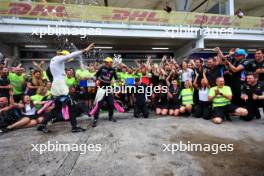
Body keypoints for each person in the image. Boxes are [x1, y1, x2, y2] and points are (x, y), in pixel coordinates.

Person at [37, 43, 95, 133]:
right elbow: (71, 55)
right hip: (60, 87)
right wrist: (85, 50)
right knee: (72, 107)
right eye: (67, 57)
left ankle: (42, 125)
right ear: (63, 55)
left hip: (57, 87)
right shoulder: (58, 58)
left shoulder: (54, 61)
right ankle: (74, 127)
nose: (68, 60)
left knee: (56, 109)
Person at [91, 57, 119, 127]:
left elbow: (117, 78)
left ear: (111, 63)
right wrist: (96, 80)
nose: (106, 63)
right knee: (98, 104)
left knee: (111, 103)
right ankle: (95, 119)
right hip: (101, 88)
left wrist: (116, 81)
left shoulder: (113, 69)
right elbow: (95, 76)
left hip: (108, 89)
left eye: (108, 62)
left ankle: (111, 117)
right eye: (105, 62)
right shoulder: (102, 68)